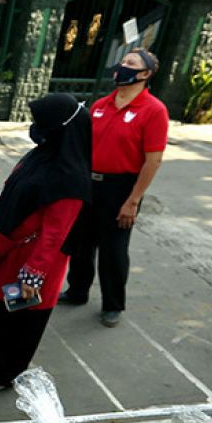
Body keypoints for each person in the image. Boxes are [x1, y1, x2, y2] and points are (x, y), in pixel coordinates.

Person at [0, 94, 92, 390]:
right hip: (7, 251)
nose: (35, 128)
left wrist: (33, 274)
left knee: (19, 321)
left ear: (59, 128)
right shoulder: (43, 154)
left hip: (33, 265)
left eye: (40, 123)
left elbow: (55, 235)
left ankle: (1, 371)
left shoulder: (71, 180)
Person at [59, 48, 168, 327]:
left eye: (131, 63)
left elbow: (152, 161)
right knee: (81, 243)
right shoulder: (100, 105)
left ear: (145, 74)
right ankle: (77, 290)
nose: (123, 66)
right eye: (123, 61)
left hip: (121, 188)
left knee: (114, 250)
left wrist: (133, 200)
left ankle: (113, 305)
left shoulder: (154, 110)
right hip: (89, 182)